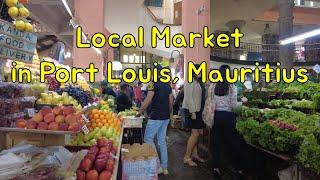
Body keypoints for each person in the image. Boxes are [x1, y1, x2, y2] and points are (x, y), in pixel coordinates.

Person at [210, 65, 246, 176]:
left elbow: (210, 101)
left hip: (216, 116)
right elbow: (234, 106)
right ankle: (238, 167)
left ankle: (216, 167)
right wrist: (243, 101)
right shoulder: (232, 87)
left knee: (216, 142)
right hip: (228, 116)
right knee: (233, 142)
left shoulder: (213, 85)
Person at [139, 65, 173, 175]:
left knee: (148, 138)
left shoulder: (153, 84)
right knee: (161, 141)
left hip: (156, 116)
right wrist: (168, 113)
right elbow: (171, 102)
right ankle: (165, 167)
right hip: (165, 117)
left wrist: (140, 111)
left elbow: (148, 100)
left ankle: (157, 165)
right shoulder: (167, 85)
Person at [182, 64, 206, 167]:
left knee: (197, 133)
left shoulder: (198, 82)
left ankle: (195, 154)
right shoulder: (189, 81)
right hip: (191, 110)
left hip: (197, 110)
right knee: (195, 133)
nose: (200, 72)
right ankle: (187, 157)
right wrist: (192, 112)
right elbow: (188, 98)